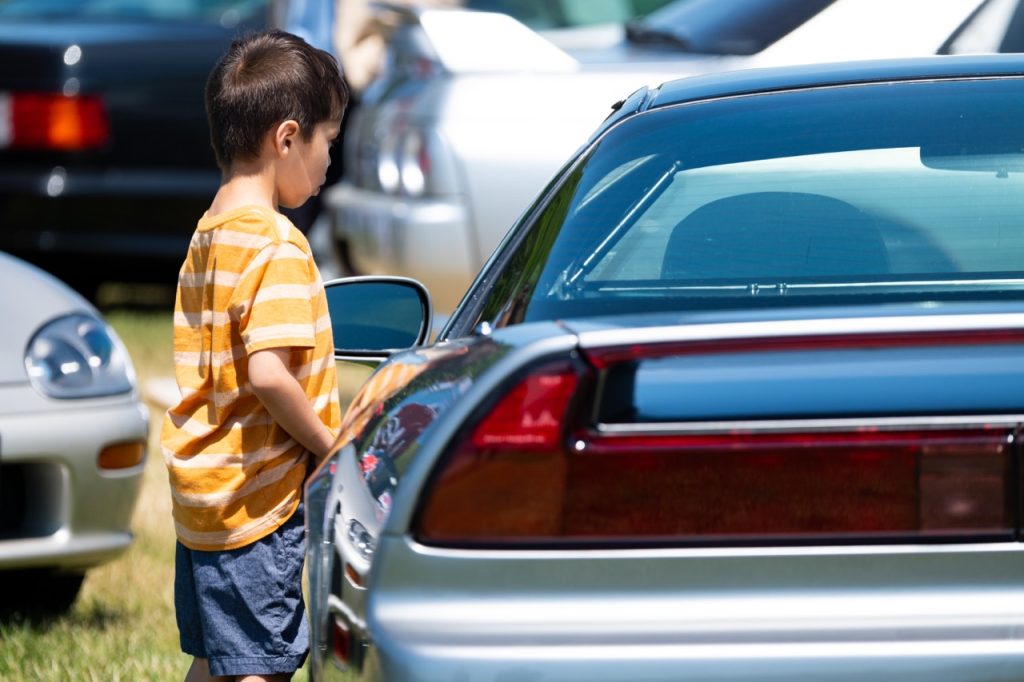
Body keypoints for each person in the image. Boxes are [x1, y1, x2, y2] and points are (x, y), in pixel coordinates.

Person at [159, 29, 348, 682]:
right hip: (255, 508)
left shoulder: (210, 231)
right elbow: (268, 371)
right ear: (287, 138)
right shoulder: (278, 245)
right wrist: (330, 443)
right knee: (259, 667)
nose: (329, 163)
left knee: (216, 659)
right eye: (328, 142)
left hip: (206, 499)